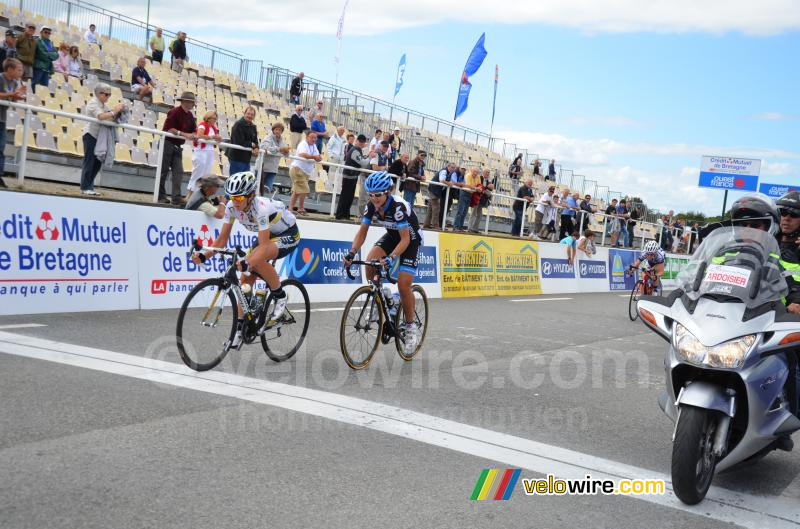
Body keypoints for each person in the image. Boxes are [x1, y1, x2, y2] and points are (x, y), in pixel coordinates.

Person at [191, 171, 300, 349]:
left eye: (240, 198)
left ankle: (280, 296)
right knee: (245, 279)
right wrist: (204, 254)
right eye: (232, 197)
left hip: (287, 234)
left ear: (251, 196)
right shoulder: (231, 208)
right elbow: (221, 240)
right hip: (267, 234)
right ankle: (240, 330)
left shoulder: (261, 209)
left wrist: (249, 262)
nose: (235, 201)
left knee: (255, 261)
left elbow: (264, 248)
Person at [343, 171, 422, 356]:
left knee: (403, 286)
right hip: (392, 236)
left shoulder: (398, 207)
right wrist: (352, 252)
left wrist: (392, 257)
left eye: (378, 194)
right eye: (371, 194)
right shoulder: (371, 206)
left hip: (410, 240)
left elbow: (404, 240)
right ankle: (385, 295)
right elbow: (362, 232)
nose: (374, 198)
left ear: (388, 191)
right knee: (370, 264)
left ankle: (410, 327)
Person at [80, 83, 125, 196]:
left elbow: (109, 118)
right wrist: (114, 111)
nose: (108, 97)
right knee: (89, 161)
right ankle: (85, 187)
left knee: (97, 162)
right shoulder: (93, 103)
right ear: (99, 93)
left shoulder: (104, 105)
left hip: (99, 137)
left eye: (109, 95)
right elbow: (100, 116)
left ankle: (89, 186)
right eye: (106, 94)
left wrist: (118, 114)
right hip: (90, 134)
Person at [159, 91, 197, 205]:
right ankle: (161, 195)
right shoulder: (174, 112)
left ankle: (176, 197)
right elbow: (169, 129)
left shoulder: (190, 115)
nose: (193, 104)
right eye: (192, 102)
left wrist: (194, 134)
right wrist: (185, 134)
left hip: (177, 145)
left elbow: (193, 129)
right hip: (167, 143)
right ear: (186, 102)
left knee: (178, 172)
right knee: (163, 171)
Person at [0, 58, 26, 184]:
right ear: (10, 69)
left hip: (2, 119)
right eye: (19, 70)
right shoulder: (0, 78)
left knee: (1, 147)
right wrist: (12, 95)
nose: (21, 72)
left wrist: (17, 97)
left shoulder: (15, 83)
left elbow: (11, 101)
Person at [336, 134, 373, 220]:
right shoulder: (355, 150)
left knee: (349, 197)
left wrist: (367, 156)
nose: (361, 143)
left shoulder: (356, 149)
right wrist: (370, 157)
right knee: (345, 197)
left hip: (352, 177)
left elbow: (360, 160)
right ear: (362, 143)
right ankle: (340, 215)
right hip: (349, 177)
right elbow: (363, 163)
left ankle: (345, 215)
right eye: (361, 142)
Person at [186, 110, 221, 200]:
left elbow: (215, 140)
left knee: (206, 175)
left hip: (209, 152)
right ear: (208, 118)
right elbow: (199, 135)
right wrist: (213, 137)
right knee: (197, 174)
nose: (214, 120)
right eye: (213, 118)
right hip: (201, 151)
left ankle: (200, 197)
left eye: (215, 119)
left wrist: (218, 138)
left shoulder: (213, 128)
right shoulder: (202, 125)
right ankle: (189, 196)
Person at [776, 191, 800, 314]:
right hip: (759, 308)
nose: (787, 218)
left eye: (793, 214)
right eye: (783, 213)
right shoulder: (767, 242)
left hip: (787, 315)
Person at [289, 130, 321, 215]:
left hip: (305, 171)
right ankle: (300, 208)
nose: (314, 139)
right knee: (304, 189)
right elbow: (303, 154)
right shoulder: (303, 144)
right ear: (307, 137)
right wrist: (315, 157)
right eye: (312, 137)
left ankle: (290, 208)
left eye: (315, 138)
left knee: (296, 191)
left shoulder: (314, 146)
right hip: (298, 169)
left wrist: (318, 157)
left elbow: (317, 156)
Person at [260, 122, 290, 195]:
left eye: (280, 130)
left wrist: (286, 151)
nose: (278, 131)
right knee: (258, 188)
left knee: (267, 190)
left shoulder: (282, 141)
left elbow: (287, 154)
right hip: (263, 167)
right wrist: (278, 149)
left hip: (273, 169)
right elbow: (264, 147)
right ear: (273, 130)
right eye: (276, 129)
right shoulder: (268, 138)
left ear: (282, 132)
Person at [227, 106, 259, 175]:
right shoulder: (238, 124)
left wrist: (256, 147)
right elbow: (238, 141)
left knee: (244, 182)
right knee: (236, 181)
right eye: (248, 113)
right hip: (236, 158)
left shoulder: (253, 127)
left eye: (252, 114)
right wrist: (252, 145)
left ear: (254, 116)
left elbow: (255, 141)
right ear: (244, 113)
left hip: (246, 159)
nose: (250, 116)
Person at [424, 163, 453, 230]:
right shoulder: (444, 171)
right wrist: (449, 184)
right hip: (434, 191)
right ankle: (435, 226)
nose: (452, 169)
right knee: (436, 208)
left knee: (430, 209)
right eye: (451, 167)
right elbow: (441, 180)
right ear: (448, 166)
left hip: (433, 190)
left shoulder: (446, 172)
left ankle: (426, 225)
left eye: (454, 168)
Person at [32, 25, 57, 92]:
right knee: (34, 84)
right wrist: (51, 56)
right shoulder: (38, 41)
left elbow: (56, 55)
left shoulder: (50, 43)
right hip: (39, 67)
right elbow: (41, 54)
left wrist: (49, 55)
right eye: (46, 32)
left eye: (49, 33)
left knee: (44, 87)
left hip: (47, 68)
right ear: (41, 32)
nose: (47, 34)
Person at [468, 169, 494, 233]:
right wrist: (485, 190)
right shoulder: (479, 178)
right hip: (476, 197)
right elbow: (478, 187)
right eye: (486, 172)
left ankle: (475, 229)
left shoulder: (488, 181)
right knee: (473, 213)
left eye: (488, 172)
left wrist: (489, 188)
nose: (487, 173)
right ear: (483, 172)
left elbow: (489, 190)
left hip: (482, 200)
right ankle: (470, 228)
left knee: (479, 214)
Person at [454, 167, 480, 231]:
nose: (475, 173)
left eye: (477, 172)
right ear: (471, 171)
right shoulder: (468, 175)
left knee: (465, 212)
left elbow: (479, 185)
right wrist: (476, 188)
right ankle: (456, 227)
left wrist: (475, 188)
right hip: (464, 193)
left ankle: (460, 227)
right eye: (474, 171)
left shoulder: (478, 177)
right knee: (460, 211)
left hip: (470, 194)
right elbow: (468, 185)